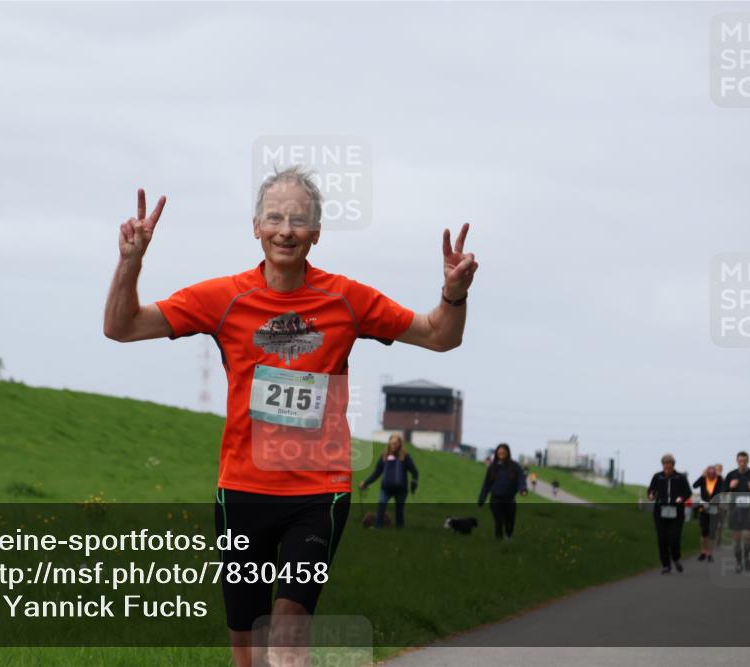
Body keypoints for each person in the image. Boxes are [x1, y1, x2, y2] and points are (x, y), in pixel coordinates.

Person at [102, 166, 477, 667]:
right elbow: (121, 327)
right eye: (274, 217)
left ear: (316, 233)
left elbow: (439, 336)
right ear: (255, 227)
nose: (285, 229)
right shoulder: (222, 298)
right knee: (249, 652)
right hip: (242, 491)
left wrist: (453, 293)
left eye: (298, 220)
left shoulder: (346, 299)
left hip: (317, 493)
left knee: (287, 634)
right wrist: (130, 261)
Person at [359, 434, 419, 528]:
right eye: (392, 443)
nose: (393, 445)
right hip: (386, 488)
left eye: (396, 443)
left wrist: (413, 484)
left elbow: (415, 472)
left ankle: (399, 529)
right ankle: (378, 527)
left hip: (401, 489)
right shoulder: (384, 456)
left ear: (400, 444)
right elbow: (377, 472)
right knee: (381, 507)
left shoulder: (405, 457)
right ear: (389, 444)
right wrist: (366, 483)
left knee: (399, 510)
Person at [647, 454, 692, 574]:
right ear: (662, 465)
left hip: (676, 512)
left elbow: (688, 492)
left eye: (669, 463)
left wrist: (681, 498)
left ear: (673, 465)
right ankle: (666, 565)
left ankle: (676, 558)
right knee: (662, 539)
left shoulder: (680, 477)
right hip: (660, 512)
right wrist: (651, 495)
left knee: (674, 538)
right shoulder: (657, 477)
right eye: (665, 463)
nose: (667, 466)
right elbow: (651, 490)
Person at [723, 451, 750, 574]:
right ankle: (739, 562)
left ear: (748, 461)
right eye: (740, 461)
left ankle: (746, 556)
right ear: (737, 461)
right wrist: (730, 487)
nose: (742, 463)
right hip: (735, 510)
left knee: (747, 537)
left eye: (744, 461)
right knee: (736, 540)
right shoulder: (731, 475)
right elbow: (722, 491)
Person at [477, 444, 529, 541]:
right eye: (499, 453)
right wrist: (481, 498)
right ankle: (499, 540)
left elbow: (521, 479)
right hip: (495, 500)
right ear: (496, 454)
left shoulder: (515, 466)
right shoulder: (492, 467)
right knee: (498, 521)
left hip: (509, 499)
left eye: (503, 453)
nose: (501, 454)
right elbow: (486, 484)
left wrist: (523, 489)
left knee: (509, 521)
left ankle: (508, 537)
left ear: (508, 453)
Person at [692, 465, 725, 562]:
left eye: (713, 473)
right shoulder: (703, 479)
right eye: (708, 473)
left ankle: (710, 553)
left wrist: (720, 477)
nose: (711, 475)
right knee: (704, 532)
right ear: (706, 473)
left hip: (714, 508)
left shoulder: (719, 480)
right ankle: (703, 552)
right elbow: (694, 485)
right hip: (704, 508)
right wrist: (702, 476)